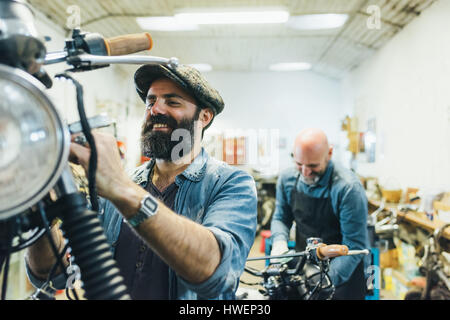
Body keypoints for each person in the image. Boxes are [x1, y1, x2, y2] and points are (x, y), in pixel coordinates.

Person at [25, 64, 258, 300]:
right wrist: (40, 203)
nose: (155, 110)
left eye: (172, 102)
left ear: (204, 117)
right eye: (150, 101)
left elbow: (215, 274)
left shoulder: (231, 183)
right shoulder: (117, 186)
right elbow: (54, 275)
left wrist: (122, 190)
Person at [270, 128, 369, 300]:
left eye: (313, 166)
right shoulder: (287, 178)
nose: (305, 172)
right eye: (299, 164)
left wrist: (323, 280)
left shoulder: (348, 188)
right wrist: (279, 241)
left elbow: (354, 245)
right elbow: (281, 217)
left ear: (329, 153)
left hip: (344, 272)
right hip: (305, 264)